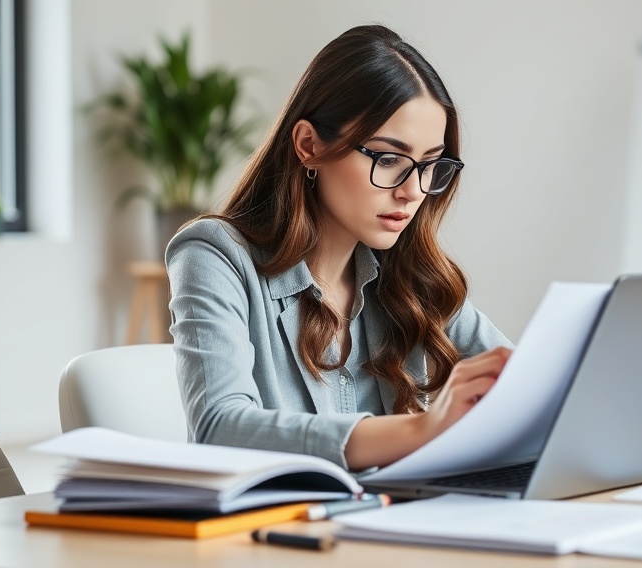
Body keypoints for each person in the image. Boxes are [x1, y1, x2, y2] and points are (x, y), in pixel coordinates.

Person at [166, 24, 512, 472]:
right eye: (388, 159)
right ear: (309, 145)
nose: (413, 192)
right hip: (277, 536)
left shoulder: (413, 274)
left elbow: (527, 389)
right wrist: (423, 430)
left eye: (430, 165)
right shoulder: (214, 255)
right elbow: (220, 427)